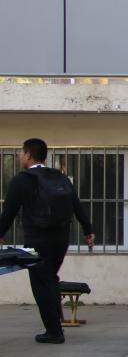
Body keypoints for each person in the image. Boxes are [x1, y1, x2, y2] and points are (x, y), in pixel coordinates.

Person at [0, 138, 94, 343]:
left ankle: (54, 332)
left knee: (41, 284)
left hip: (37, 240)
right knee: (50, 280)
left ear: (28, 155)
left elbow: (8, 212)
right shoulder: (60, 177)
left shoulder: (22, 180)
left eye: (21, 153)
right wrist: (88, 230)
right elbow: (76, 204)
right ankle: (55, 326)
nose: (20, 157)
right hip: (61, 239)